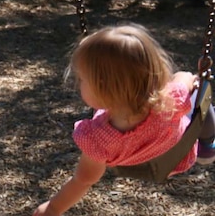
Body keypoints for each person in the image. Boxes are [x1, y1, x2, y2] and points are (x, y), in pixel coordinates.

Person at [33, 24, 215, 216]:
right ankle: (207, 143)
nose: (78, 84)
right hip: (179, 158)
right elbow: (183, 78)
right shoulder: (172, 99)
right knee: (200, 96)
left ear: (101, 87)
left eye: (82, 80)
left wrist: (53, 208)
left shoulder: (95, 138)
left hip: (142, 162)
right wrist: (188, 78)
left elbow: (83, 180)